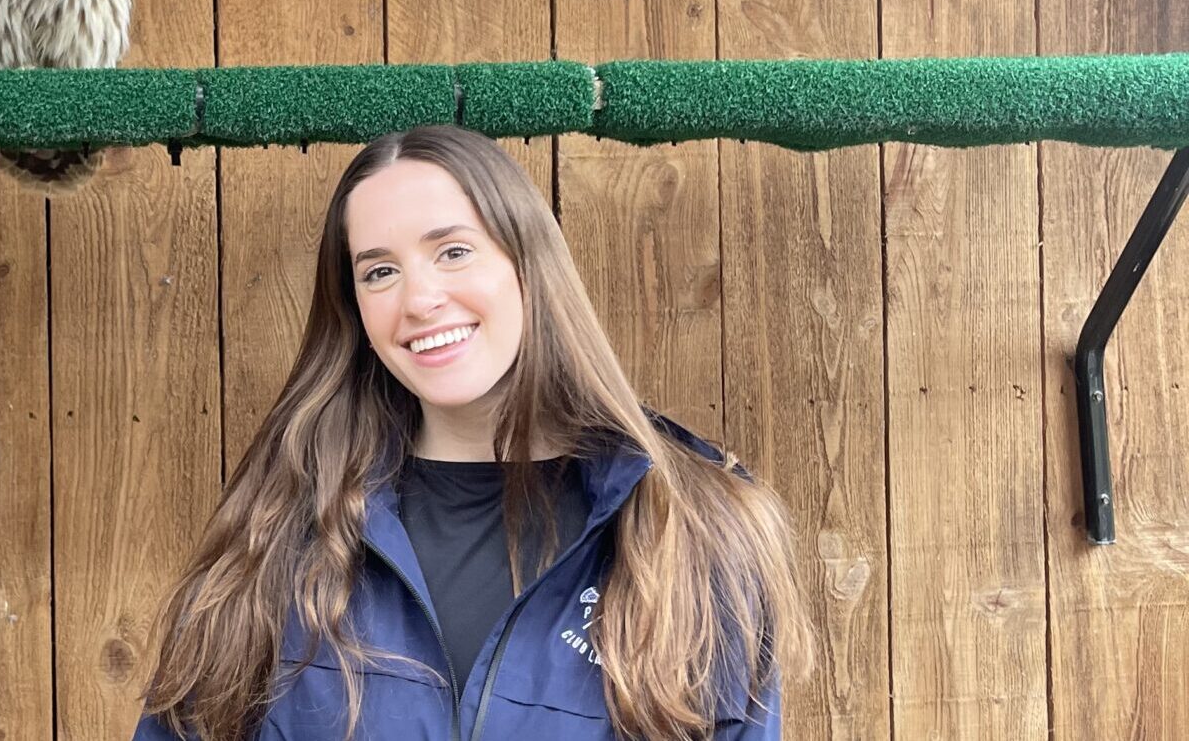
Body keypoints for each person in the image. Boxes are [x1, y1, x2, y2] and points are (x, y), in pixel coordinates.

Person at [131, 125, 813, 741]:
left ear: (528, 265)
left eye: (453, 251)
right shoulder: (277, 533)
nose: (419, 299)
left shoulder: (690, 529)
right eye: (379, 271)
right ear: (354, 306)